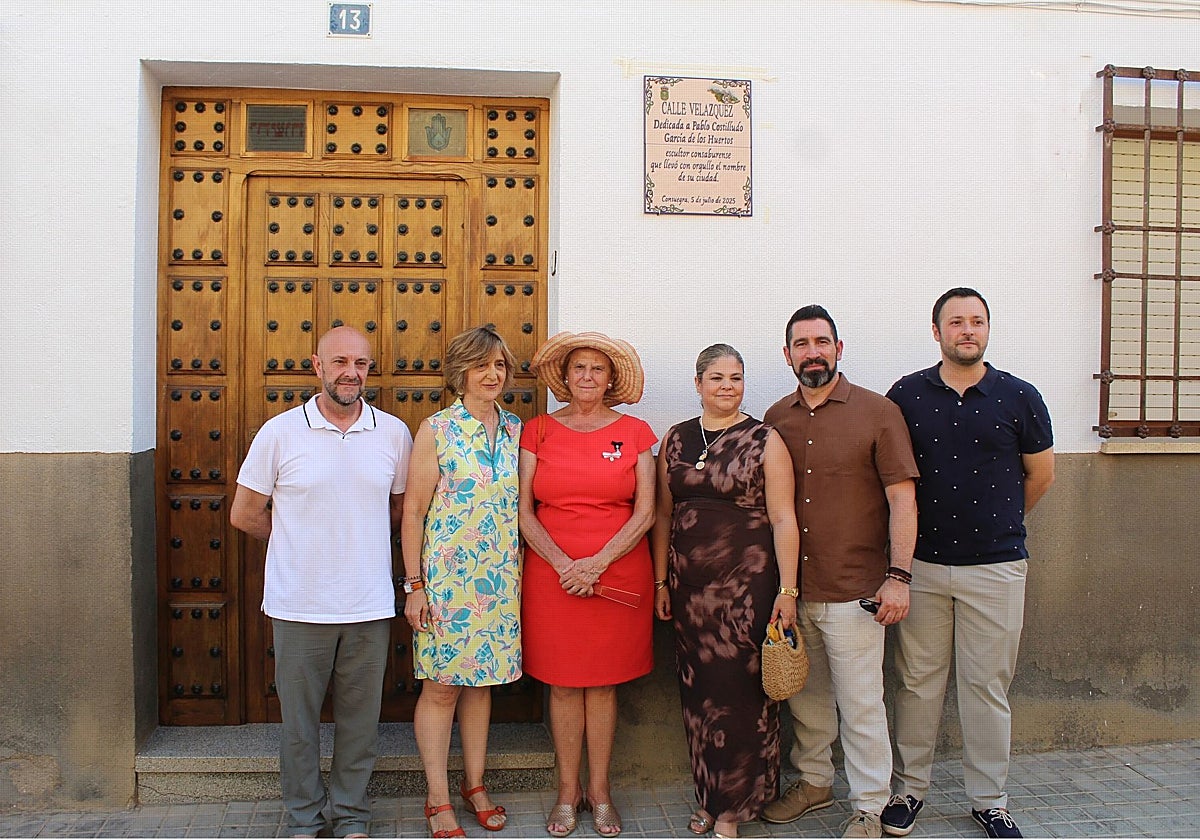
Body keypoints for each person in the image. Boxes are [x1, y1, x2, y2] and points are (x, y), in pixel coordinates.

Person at [882, 289, 1054, 840]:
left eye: (977, 321)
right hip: (923, 567)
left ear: (988, 330)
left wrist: (997, 526)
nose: (968, 330)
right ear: (936, 331)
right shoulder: (906, 395)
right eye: (956, 322)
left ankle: (990, 801)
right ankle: (909, 791)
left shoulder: (1020, 397)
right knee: (917, 684)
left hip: (997, 568)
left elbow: (1041, 476)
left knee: (987, 687)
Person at [229, 326, 414, 839]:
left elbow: (399, 509)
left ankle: (352, 817)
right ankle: (303, 820)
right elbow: (244, 514)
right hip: (298, 606)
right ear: (317, 366)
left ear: (369, 369)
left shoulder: (394, 433)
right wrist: (296, 535)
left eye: (360, 363)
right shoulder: (280, 432)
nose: (350, 372)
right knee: (298, 728)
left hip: (368, 606)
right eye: (339, 362)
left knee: (360, 727)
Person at [760, 305, 920, 839]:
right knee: (807, 703)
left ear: (839, 349)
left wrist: (899, 575)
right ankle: (813, 782)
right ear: (787, 356)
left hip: (857, 590)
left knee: (861, 705)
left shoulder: (878, 412)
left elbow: (903, 499)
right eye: (801, 344)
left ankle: (870, 805)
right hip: (794, 592)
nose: (813, 352)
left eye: (821, 342)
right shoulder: (775, 417)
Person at [651, 344, 801, 840]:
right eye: (716, 377)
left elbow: (783, 518)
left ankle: (733, 811)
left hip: (745, 594)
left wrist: (788, 590)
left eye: (736, 378)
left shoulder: (764, 439)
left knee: (740, 699)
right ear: (698, 383)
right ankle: (710, 797)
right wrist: (660, 581)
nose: (727, 386)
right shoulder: (675, 438)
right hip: (691, 596)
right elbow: (664, 517)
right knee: (700, 700)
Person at [519, 331, 658, 838]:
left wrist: (596, 563)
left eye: (597, 369)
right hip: (551, 575)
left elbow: (645, 513)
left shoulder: (638, 431)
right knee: (561, 684)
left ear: (610, 379)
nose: (587, 377)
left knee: (602, 685)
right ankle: (565, 792)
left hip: (615, 572)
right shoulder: (536, 431)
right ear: (565, 376)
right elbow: (524, 512)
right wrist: (562, 562)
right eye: (579, 368)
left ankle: (599, 792)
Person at [399, 325, 523, 838]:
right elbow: (413, 510)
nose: (492, 375)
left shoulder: (517, 428)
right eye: (482, 365)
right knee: (443, 687)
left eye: (499, 365)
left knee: (481, 686)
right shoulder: (438, 429)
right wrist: (415, 585)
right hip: (447, 582)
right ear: (461, 373)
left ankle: (475, 785)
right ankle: (436, 795)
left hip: (499, 582)